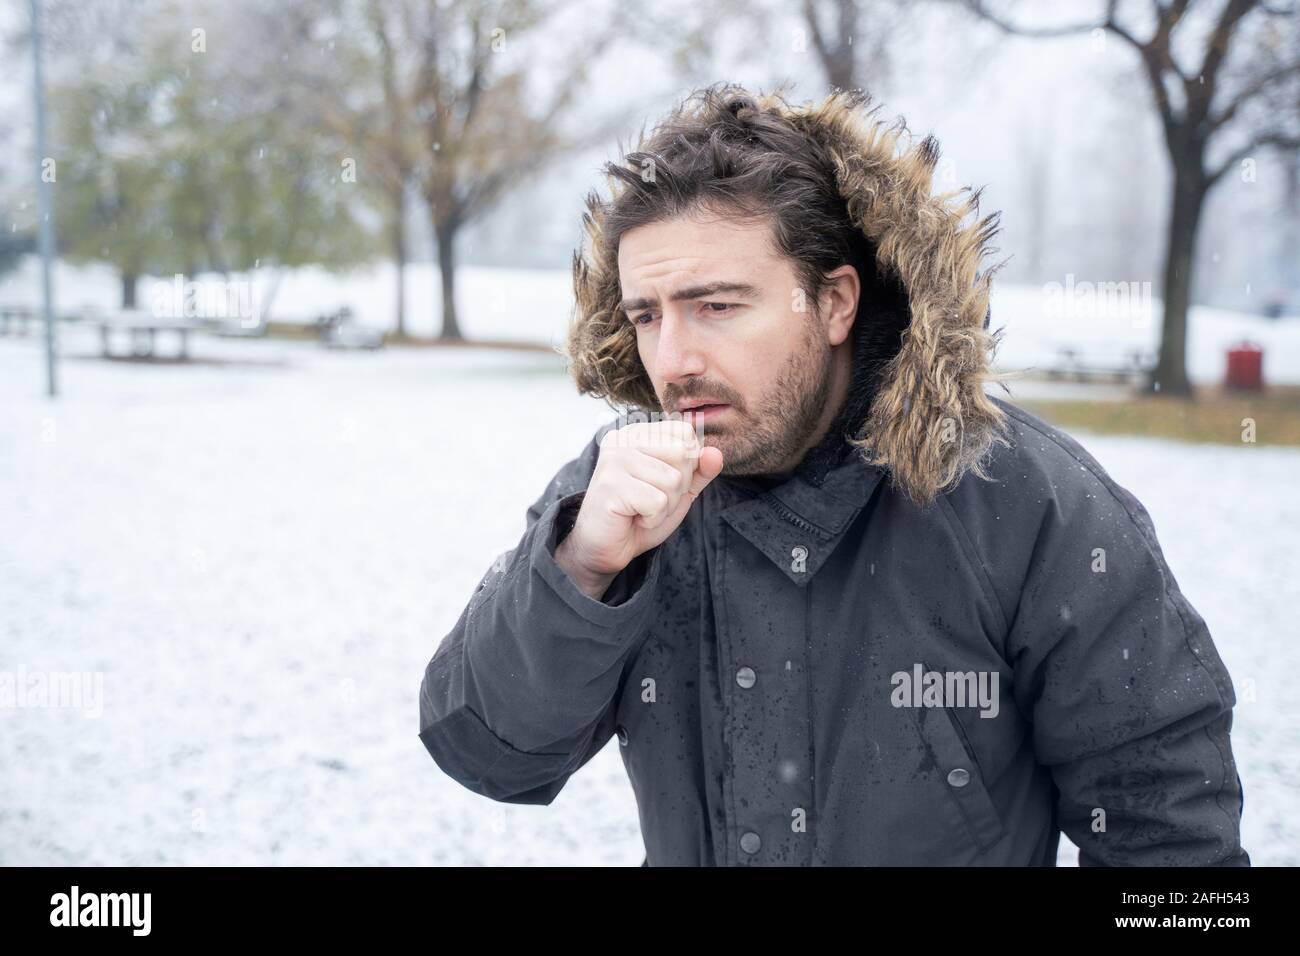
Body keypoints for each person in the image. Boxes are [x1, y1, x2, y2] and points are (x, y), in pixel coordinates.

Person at [417, 83, 1249, 866]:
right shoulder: (618, 497)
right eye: (646, 315)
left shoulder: (1024, 504)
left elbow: (1172, 842)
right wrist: (583, 568)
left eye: (718, 305)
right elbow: (486, 754)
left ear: (836, 302)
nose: (672, 360)